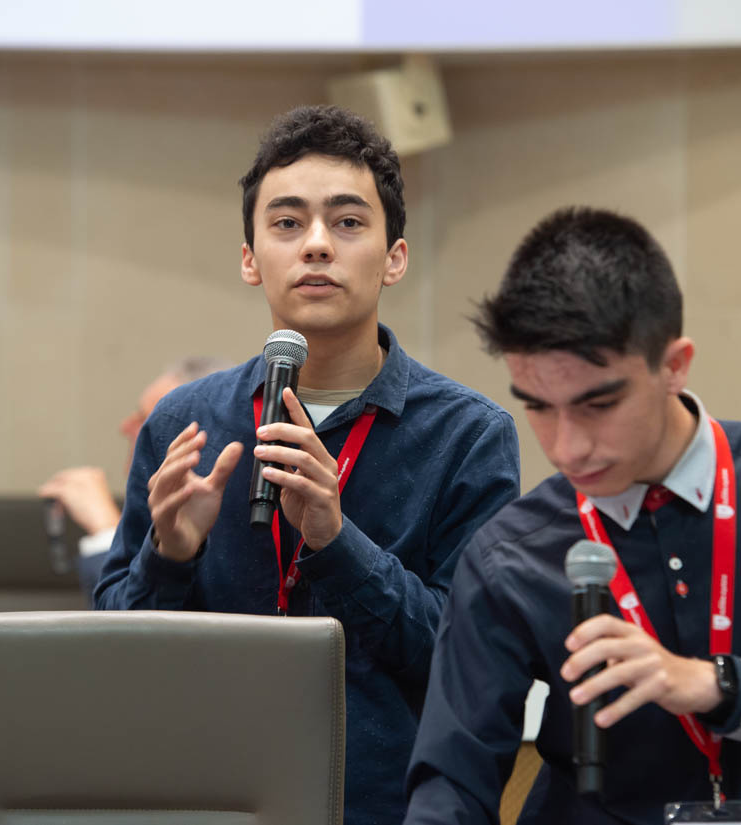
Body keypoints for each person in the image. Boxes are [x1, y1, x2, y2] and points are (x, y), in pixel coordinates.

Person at [403, 207, 741, 824]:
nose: (566, 447)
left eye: (598, 404)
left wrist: (719, 687)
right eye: (538, 407)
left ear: (675, 365)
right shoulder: (511, 551)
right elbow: (452, 780)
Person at [94, 105, 521, 825]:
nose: (316, 245)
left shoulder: (468, 436)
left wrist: (337, 542)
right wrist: (170, 555)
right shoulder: (183, 423)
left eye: (348, 222)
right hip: (208, 799)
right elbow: (114, 661)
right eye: (287, 223)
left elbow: (471, 662)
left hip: (383, 804)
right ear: (250, 257)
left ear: (395, 257)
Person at [38, 356, 231, 600]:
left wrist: (105, 530)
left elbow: (131, 630)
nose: (125, 426)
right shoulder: (140, 506)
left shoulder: (225, 526)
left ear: (198, 439)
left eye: (147, 417)